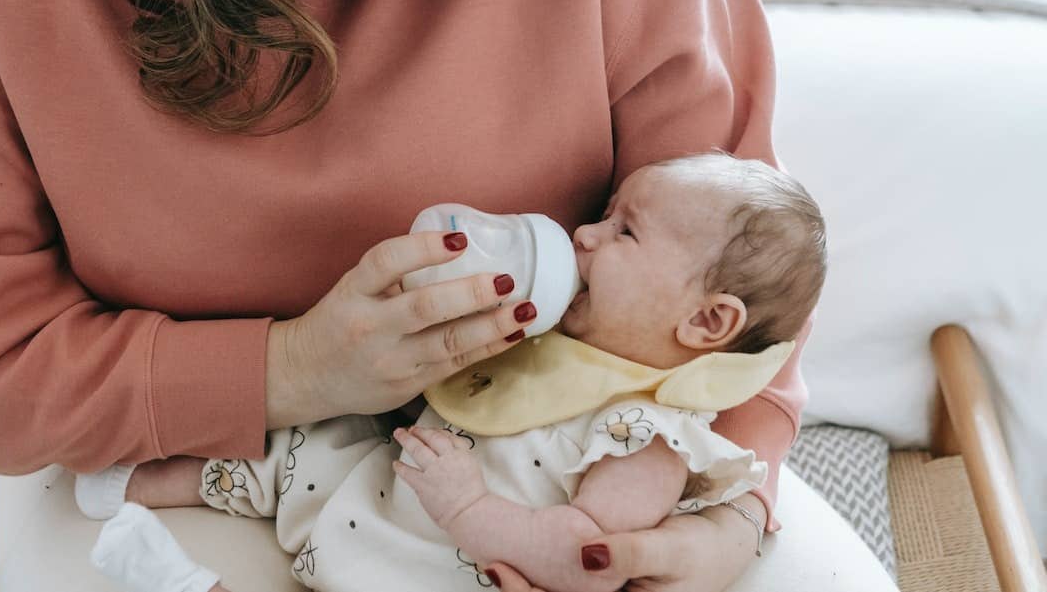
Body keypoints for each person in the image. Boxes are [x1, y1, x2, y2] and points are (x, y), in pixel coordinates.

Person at [0, 0, 898, 589]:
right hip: (170, 454)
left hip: (564, 448)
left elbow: (743, 262)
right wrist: (294, 368)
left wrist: (734, 500)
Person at [79, 152, 827, 592]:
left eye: (623, 230)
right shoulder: (571, 338)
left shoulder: (650, 435)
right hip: (380, 487)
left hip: (440, 562)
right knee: (311, 442)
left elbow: (585, 556)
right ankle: (141, 479)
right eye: (603, 213)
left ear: (707, 322)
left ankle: (182, 584)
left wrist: (469, 508)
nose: (584, 235)